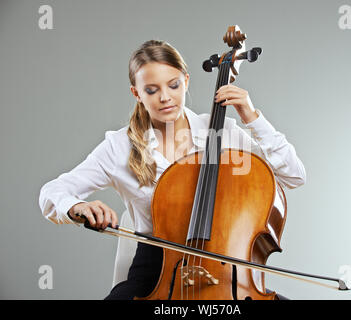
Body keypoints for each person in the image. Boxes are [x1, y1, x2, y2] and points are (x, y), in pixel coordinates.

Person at [39, 40, 306, 300]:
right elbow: (53, 192)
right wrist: (77, 207)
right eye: (152, 90)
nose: (165, 97)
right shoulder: (119, 147)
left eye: (174, 85)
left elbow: (294, 175)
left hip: (228, 276)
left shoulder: (223, 132)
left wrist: (252, 117)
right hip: (155, 275)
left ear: (186, 80)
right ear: (136, 93)